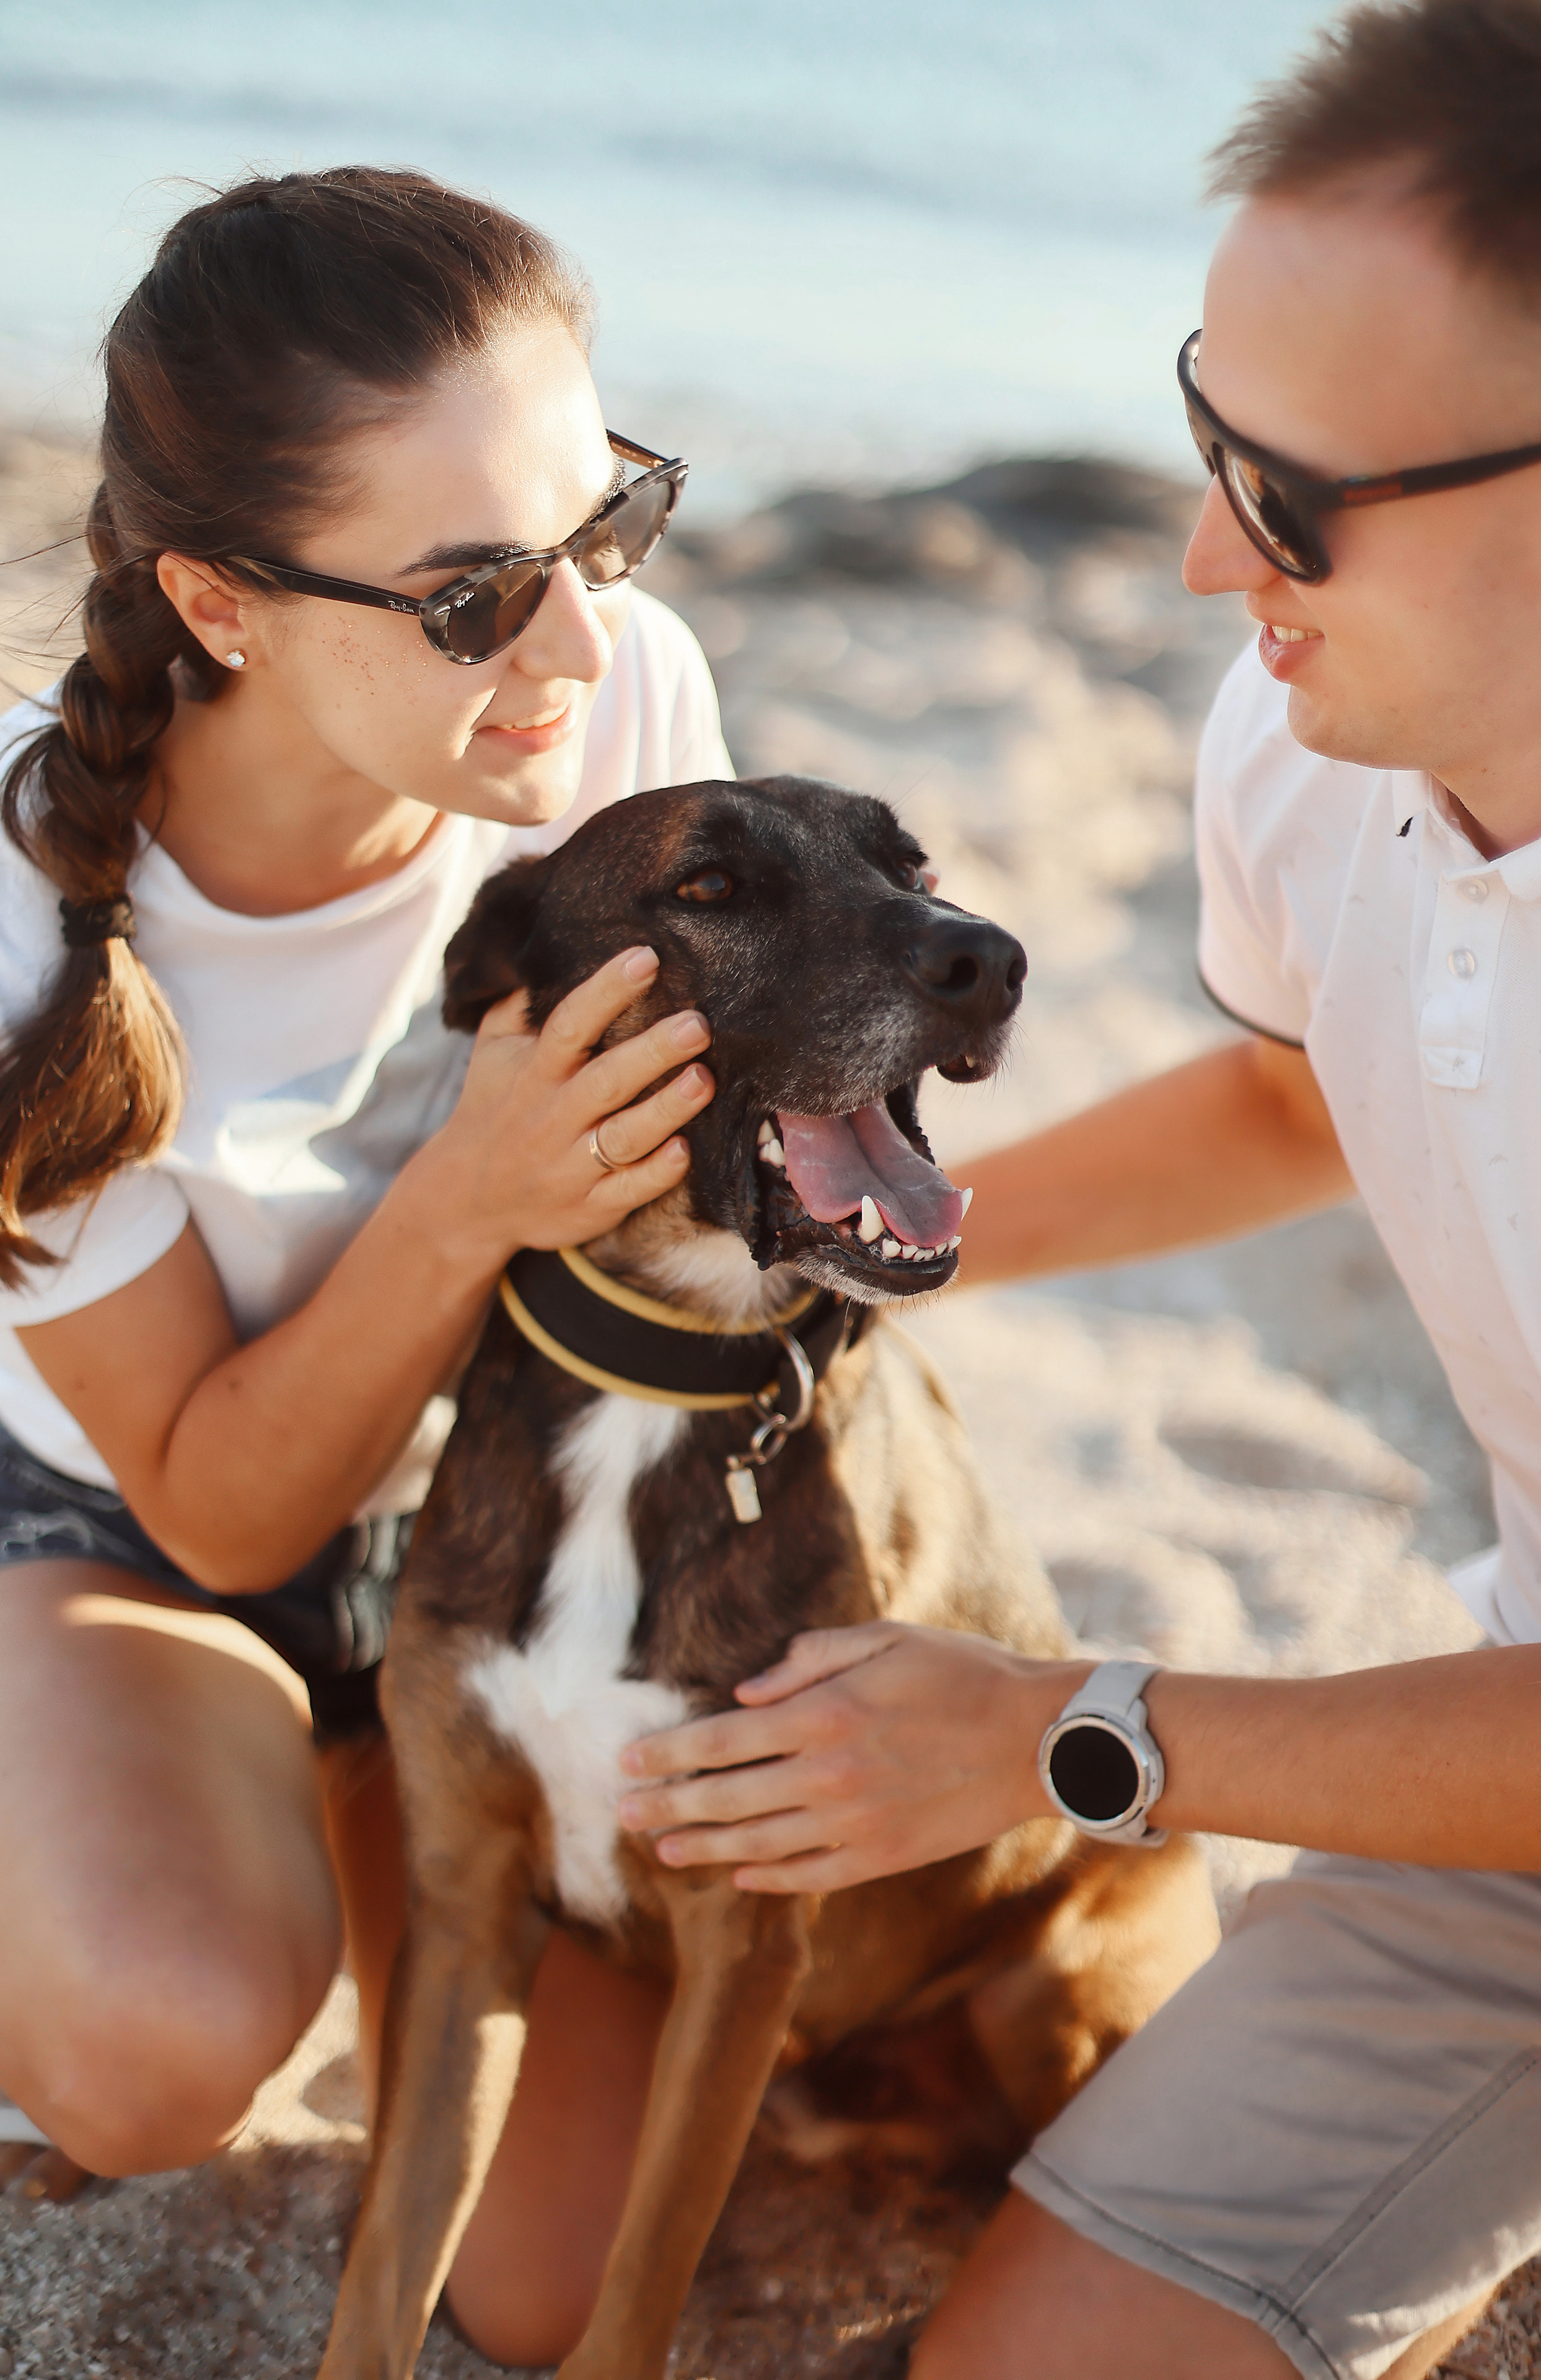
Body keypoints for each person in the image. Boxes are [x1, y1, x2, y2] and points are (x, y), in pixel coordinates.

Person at [614, 4, 1541, 2374]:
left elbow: (1066, 1740)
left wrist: (1057, 1729)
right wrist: (876, 1246)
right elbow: (1297, 1099)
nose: (1206, 548)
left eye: (1296, 493)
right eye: (1200, 424)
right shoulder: (1319, 729)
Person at [0, 165, 732, 2363]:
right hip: (114, 1517)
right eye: (477, 593)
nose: (579, 644)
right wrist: (466, 1196)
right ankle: (59, 1758)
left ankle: (348, 1762)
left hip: (485, 1508)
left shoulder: (627, 698)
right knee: (152, 2047)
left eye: (603, 530)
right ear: (217, 602)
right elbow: (223, 1500)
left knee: (549, 2272)